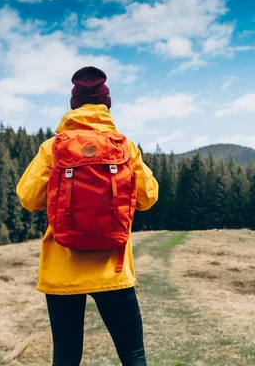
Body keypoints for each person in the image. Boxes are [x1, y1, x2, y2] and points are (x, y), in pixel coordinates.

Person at [16, 66, 159, 366]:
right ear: (107, 104)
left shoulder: (52, 148)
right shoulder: (125, 147)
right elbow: (148, 198)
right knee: (134, 356)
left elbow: (29, 199)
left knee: (66, 357)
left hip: (61, 271)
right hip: (114, 271)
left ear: (73, 106)